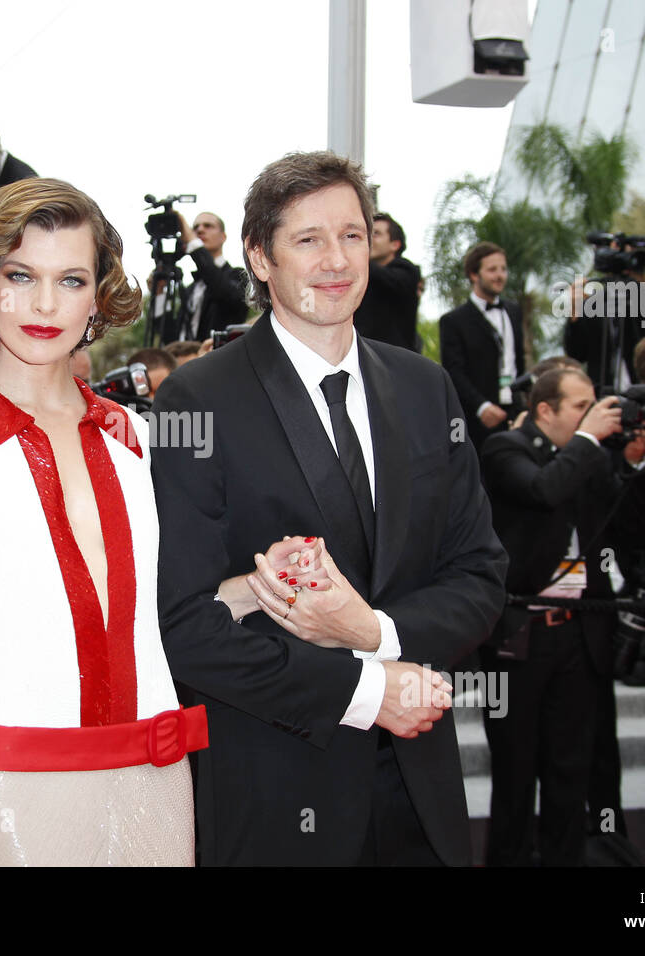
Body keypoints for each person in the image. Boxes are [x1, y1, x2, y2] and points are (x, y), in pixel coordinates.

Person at [150, 151, 507, 866]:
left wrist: (375, 631)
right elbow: (183, 622)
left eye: (352, 234)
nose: (336, 259)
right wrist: (365, 690)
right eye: (307, 239)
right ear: (259, 257)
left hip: (420, 782)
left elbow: (480, 574)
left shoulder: (424, 388)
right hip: (279, 779)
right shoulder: (197, 400)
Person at [0, 178, 203, 867]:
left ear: (98, 296)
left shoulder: (132, 438)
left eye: (71, 279)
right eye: (20, 275)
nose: (46, 304)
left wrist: (260, 588)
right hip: (8, 784)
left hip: (156, 779)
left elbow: (152, 608)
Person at [480, 366, 645, 865]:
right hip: (521, 638)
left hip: (580, 634)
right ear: (545, 411)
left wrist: (635, 467)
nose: (596, 414)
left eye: (594, 405)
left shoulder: (591, 456)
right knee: (515, 773)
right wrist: (587, 440)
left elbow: (633, 530)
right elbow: (543, 491)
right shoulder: (504, 448)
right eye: (582, 406)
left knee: (569, 772)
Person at [440, 242, 526, 453]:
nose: (500, 275)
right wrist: (482, 406)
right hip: (477, 419)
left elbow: (518, 360)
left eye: (503, 269)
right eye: (492, 269)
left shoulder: (514, 311)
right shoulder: (453, 320)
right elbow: (454, 371)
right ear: (474, 275)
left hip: (515, 411)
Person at [158, 211, 250, 345]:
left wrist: (193, 243)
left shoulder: (238, 275)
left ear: (223, 237)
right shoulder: (191, 289)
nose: (200, 230)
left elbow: (220, 288)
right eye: (195, 228)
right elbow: (169, 337)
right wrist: (159, 293)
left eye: (208, 226)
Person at [352, 212, 422, 351]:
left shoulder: (406, 270)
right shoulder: (363, 273)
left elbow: (391, 281)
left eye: (376, 233)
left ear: (395, 245)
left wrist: (358, 256)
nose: (369, 239)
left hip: (395, 360)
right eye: (367, 233)